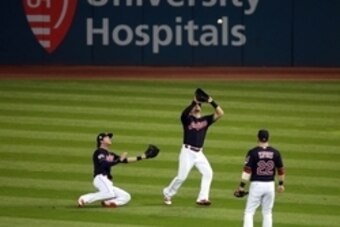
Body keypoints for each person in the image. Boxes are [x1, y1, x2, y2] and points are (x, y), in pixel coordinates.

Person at [162, 92, 224, 206]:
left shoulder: (206, 120)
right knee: (181, 177)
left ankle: (202, 198)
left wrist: (211, 101)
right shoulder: (187, 120)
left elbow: (220, 113)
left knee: (208, 173)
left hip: (199, 153)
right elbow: (184, 113)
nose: (196, 107)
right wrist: (194, 102)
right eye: (195, 106)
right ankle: (167, 193)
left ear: (201, 108)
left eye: (198, 106)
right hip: (187, 152)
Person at [78, 132, 148, 208]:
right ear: (101, 141)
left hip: (107, 181)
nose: (109, 138)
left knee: (126, 196)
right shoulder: (99, 152)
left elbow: (125, 160)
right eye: (107, 137)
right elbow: (104, 164)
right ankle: (84, 198)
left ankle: (108, 202)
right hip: (100, 178)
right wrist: (118, 160)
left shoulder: (110, 154)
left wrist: (143, 157)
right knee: (109, 193)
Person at [235, 129, 285, 227]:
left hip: (257, 185)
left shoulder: (253, 152)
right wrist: (281, 184)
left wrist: (241, 186)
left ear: (257, 138)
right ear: (269, 138)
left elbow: (247, 171)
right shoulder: (275, 152)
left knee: (249, 212)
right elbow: (281, 170)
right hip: (270, 185)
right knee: (267, 212)